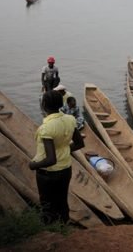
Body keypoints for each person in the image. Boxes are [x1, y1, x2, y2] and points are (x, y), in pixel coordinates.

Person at [29, 90, 85, 224]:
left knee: (47, 204)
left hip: (48, 174)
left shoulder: (46, 128)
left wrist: (32, 165)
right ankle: (64, 227)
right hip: (66, 169)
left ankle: (50, 230)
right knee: (62, 201)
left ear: (43, 106)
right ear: (61, 104)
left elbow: (50, 160)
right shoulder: (70, 120)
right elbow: (79, 143)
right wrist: (65, 150)